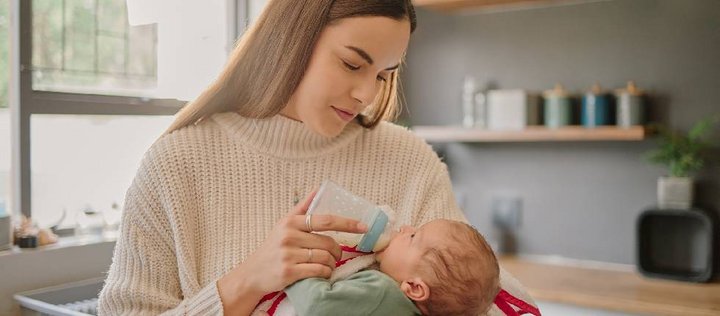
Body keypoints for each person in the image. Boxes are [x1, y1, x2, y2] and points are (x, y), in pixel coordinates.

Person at [97, 1, 537, 315]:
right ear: (293, 38)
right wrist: (245, 283)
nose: (367, 94)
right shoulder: (176, 164)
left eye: (385, 75)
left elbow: (490, 298)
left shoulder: (409, 161)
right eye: (352, 64)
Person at [280, 219, 500, 316]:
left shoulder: (381, 293)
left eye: (413, 236)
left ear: (414, 287)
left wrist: (298, 267)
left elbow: (317, 306)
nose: (405, 227)